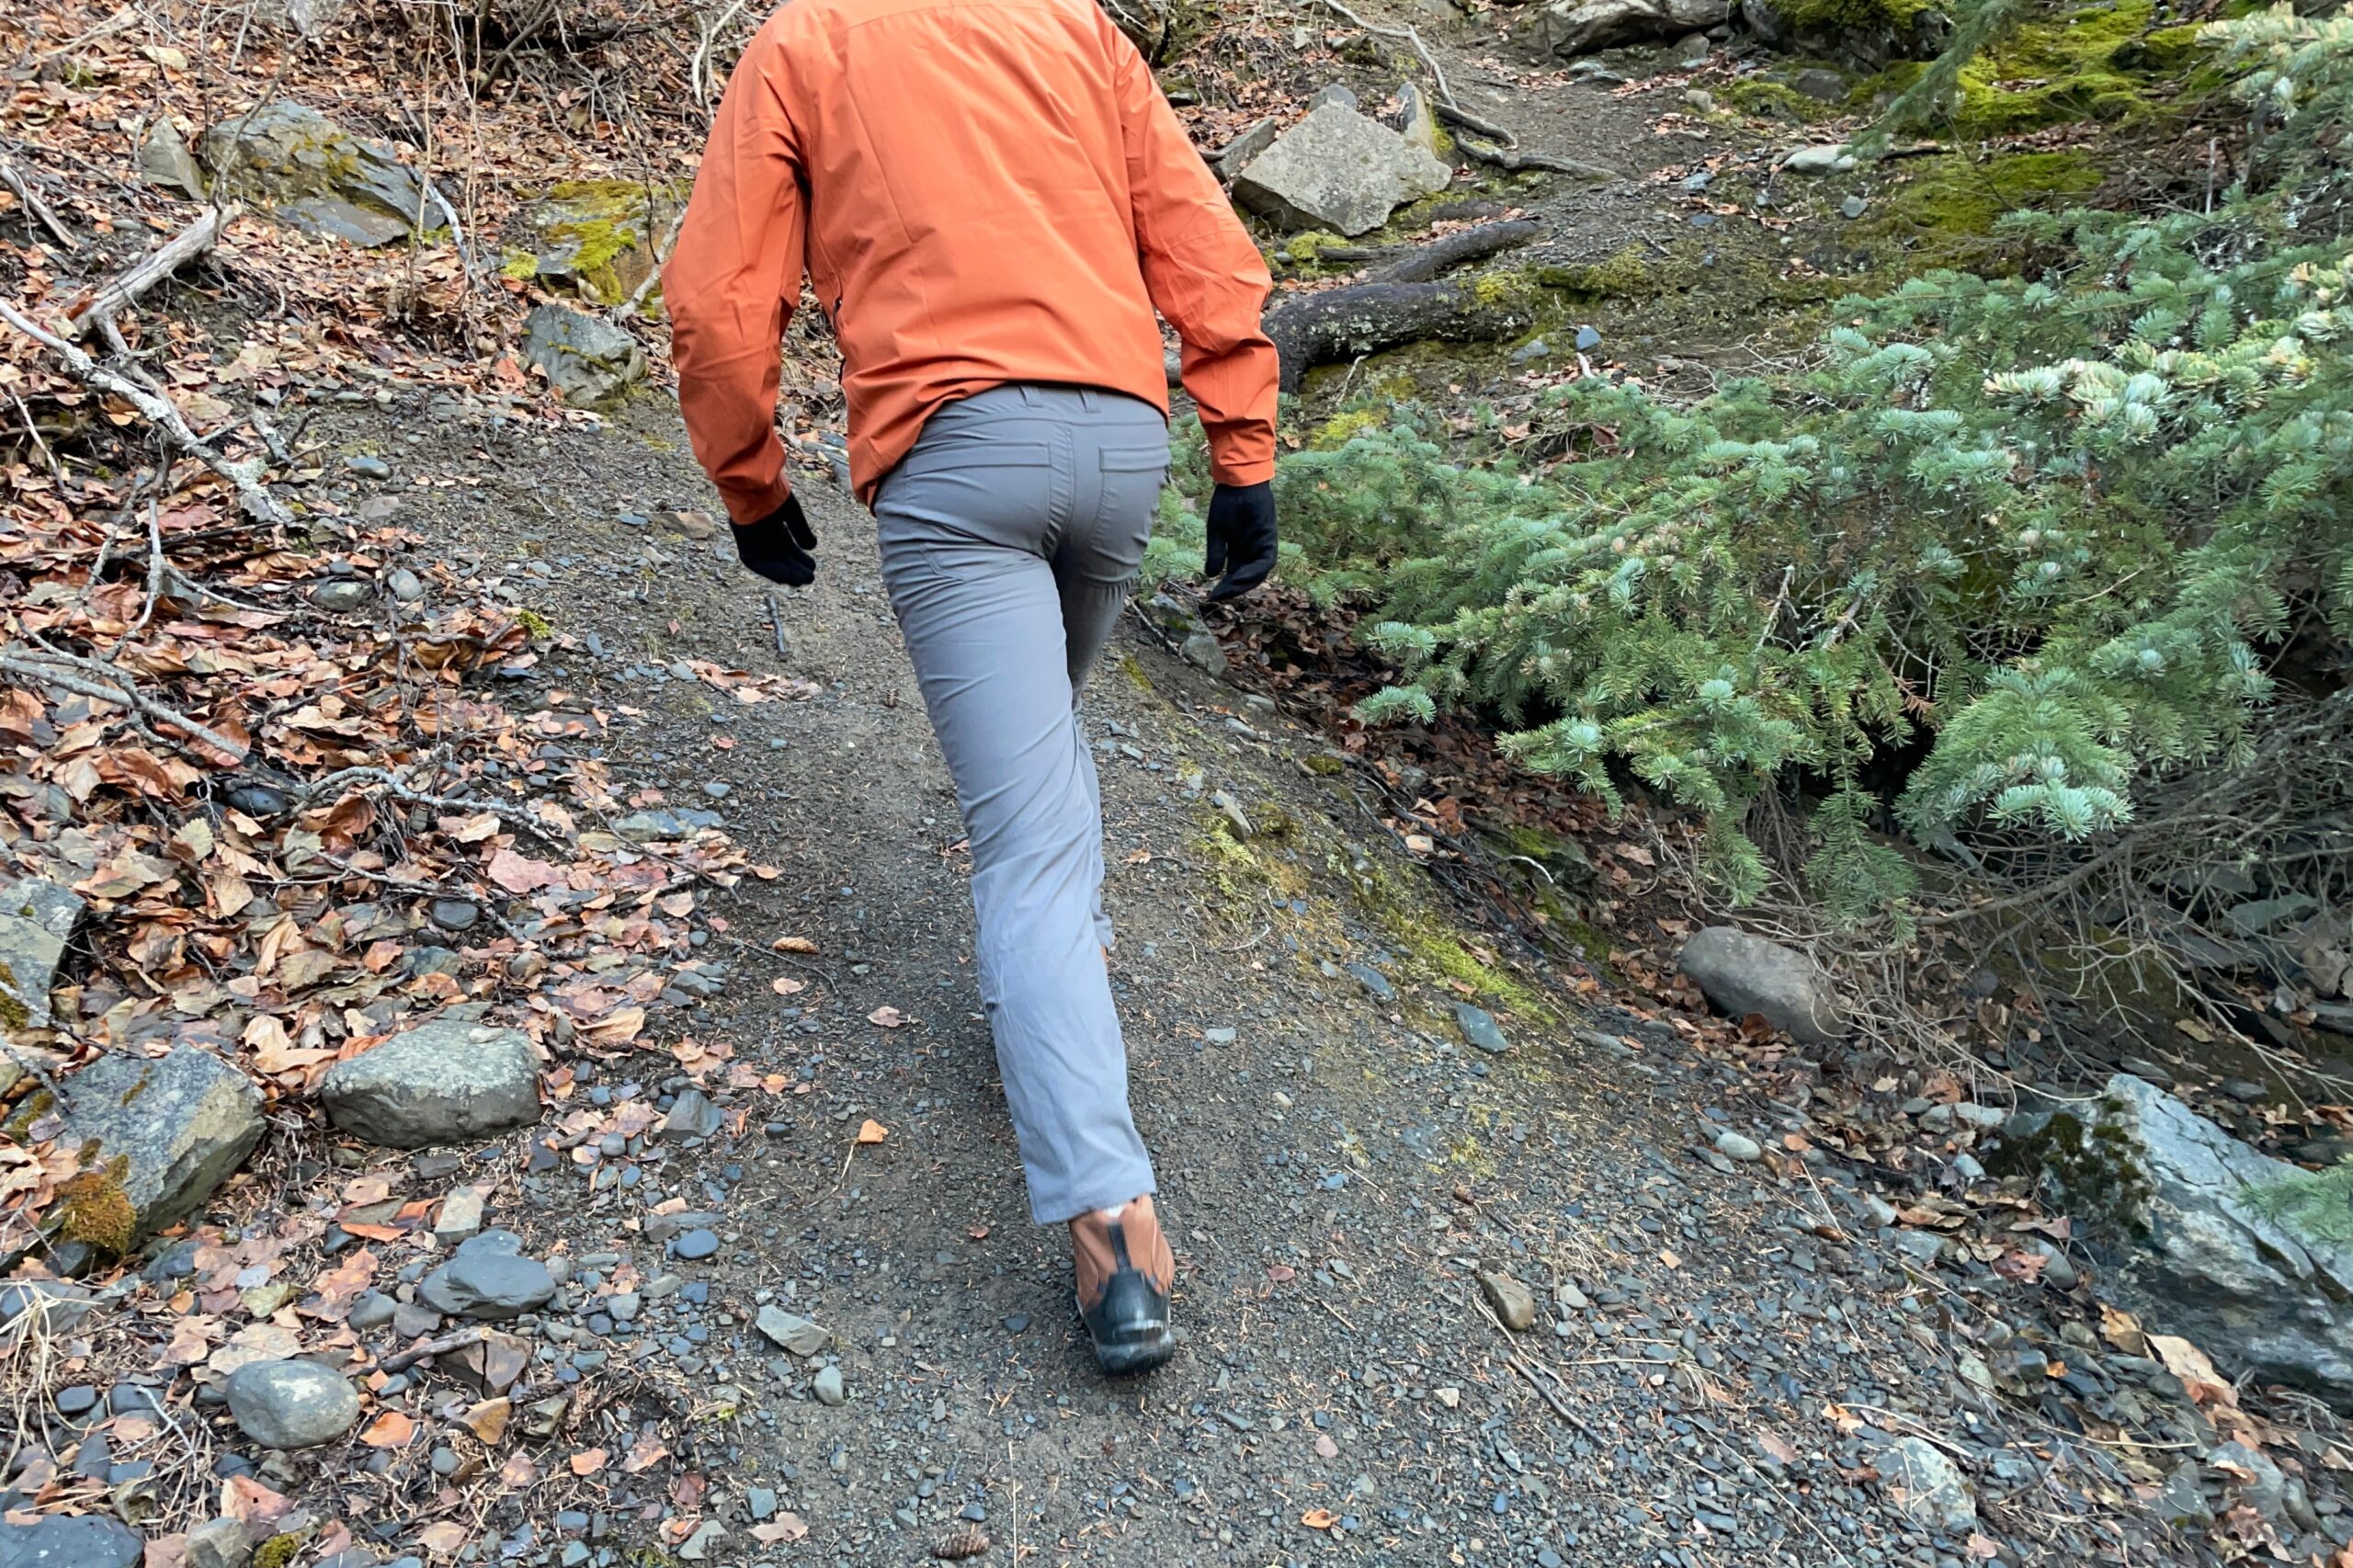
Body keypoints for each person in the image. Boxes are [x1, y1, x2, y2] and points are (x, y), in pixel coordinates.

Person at [663, 0, 1280, 1375]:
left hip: (957, 454)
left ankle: (1111, 1225)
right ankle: (1034, 1005)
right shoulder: (1075, 27)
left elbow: (715, 302)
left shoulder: (805, 40)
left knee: (1027, 842)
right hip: (1121, 445)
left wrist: (750, 484)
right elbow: (1199, 240)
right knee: (1041, 774)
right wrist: (1244, 453)